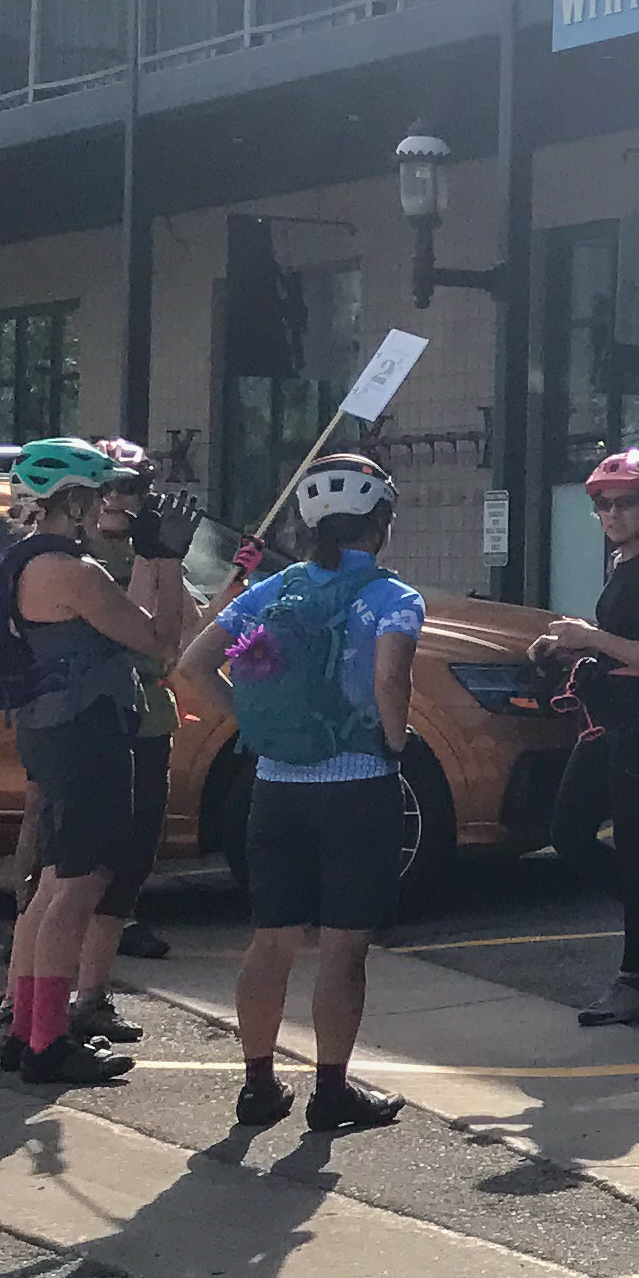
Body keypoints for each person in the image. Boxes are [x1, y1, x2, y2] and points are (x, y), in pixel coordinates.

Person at [179, 456, 423, 1136]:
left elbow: (192, 664)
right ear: (382, 524)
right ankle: (331, 1092)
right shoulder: (393, 597)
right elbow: (391, 681)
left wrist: (250, 722)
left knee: (271, 941)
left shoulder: (269, 589)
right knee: (344, 948)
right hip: (359, 787)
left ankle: (259, 1085)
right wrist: (395, 743)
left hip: (276, 787)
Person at [0, 438, 195, 1084]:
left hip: (50, 731)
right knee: (78, 887)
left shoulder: (24, 562)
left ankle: (25, 1030)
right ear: (72, 501)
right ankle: (48, 1039)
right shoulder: (73, 572)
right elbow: (160, 644)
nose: (105, 506)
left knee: (52, 883)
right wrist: (168, 560)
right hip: (87, 735)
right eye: (96, 495)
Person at [540, 449, 639, 1028]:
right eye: (602, 504)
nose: (611, 513)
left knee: (634, 846)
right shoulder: (623, 561)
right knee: (569, 833)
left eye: (625, 502)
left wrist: (593, 638)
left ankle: (634, 977)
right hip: (611, 713)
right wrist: (574, 644)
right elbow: (623, 641)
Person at [67, 446, 206, 1036]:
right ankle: (34, 1007)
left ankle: (91, 996)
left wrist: (172, 561)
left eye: (135, 485)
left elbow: (189, 632)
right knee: (68, 870)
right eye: (111, 486)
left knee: (128, 866)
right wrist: (155, 564)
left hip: (148, 720)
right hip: (92, 722)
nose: (122, 497)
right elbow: (144, 634)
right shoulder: (80, 559)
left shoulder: (147, 547)